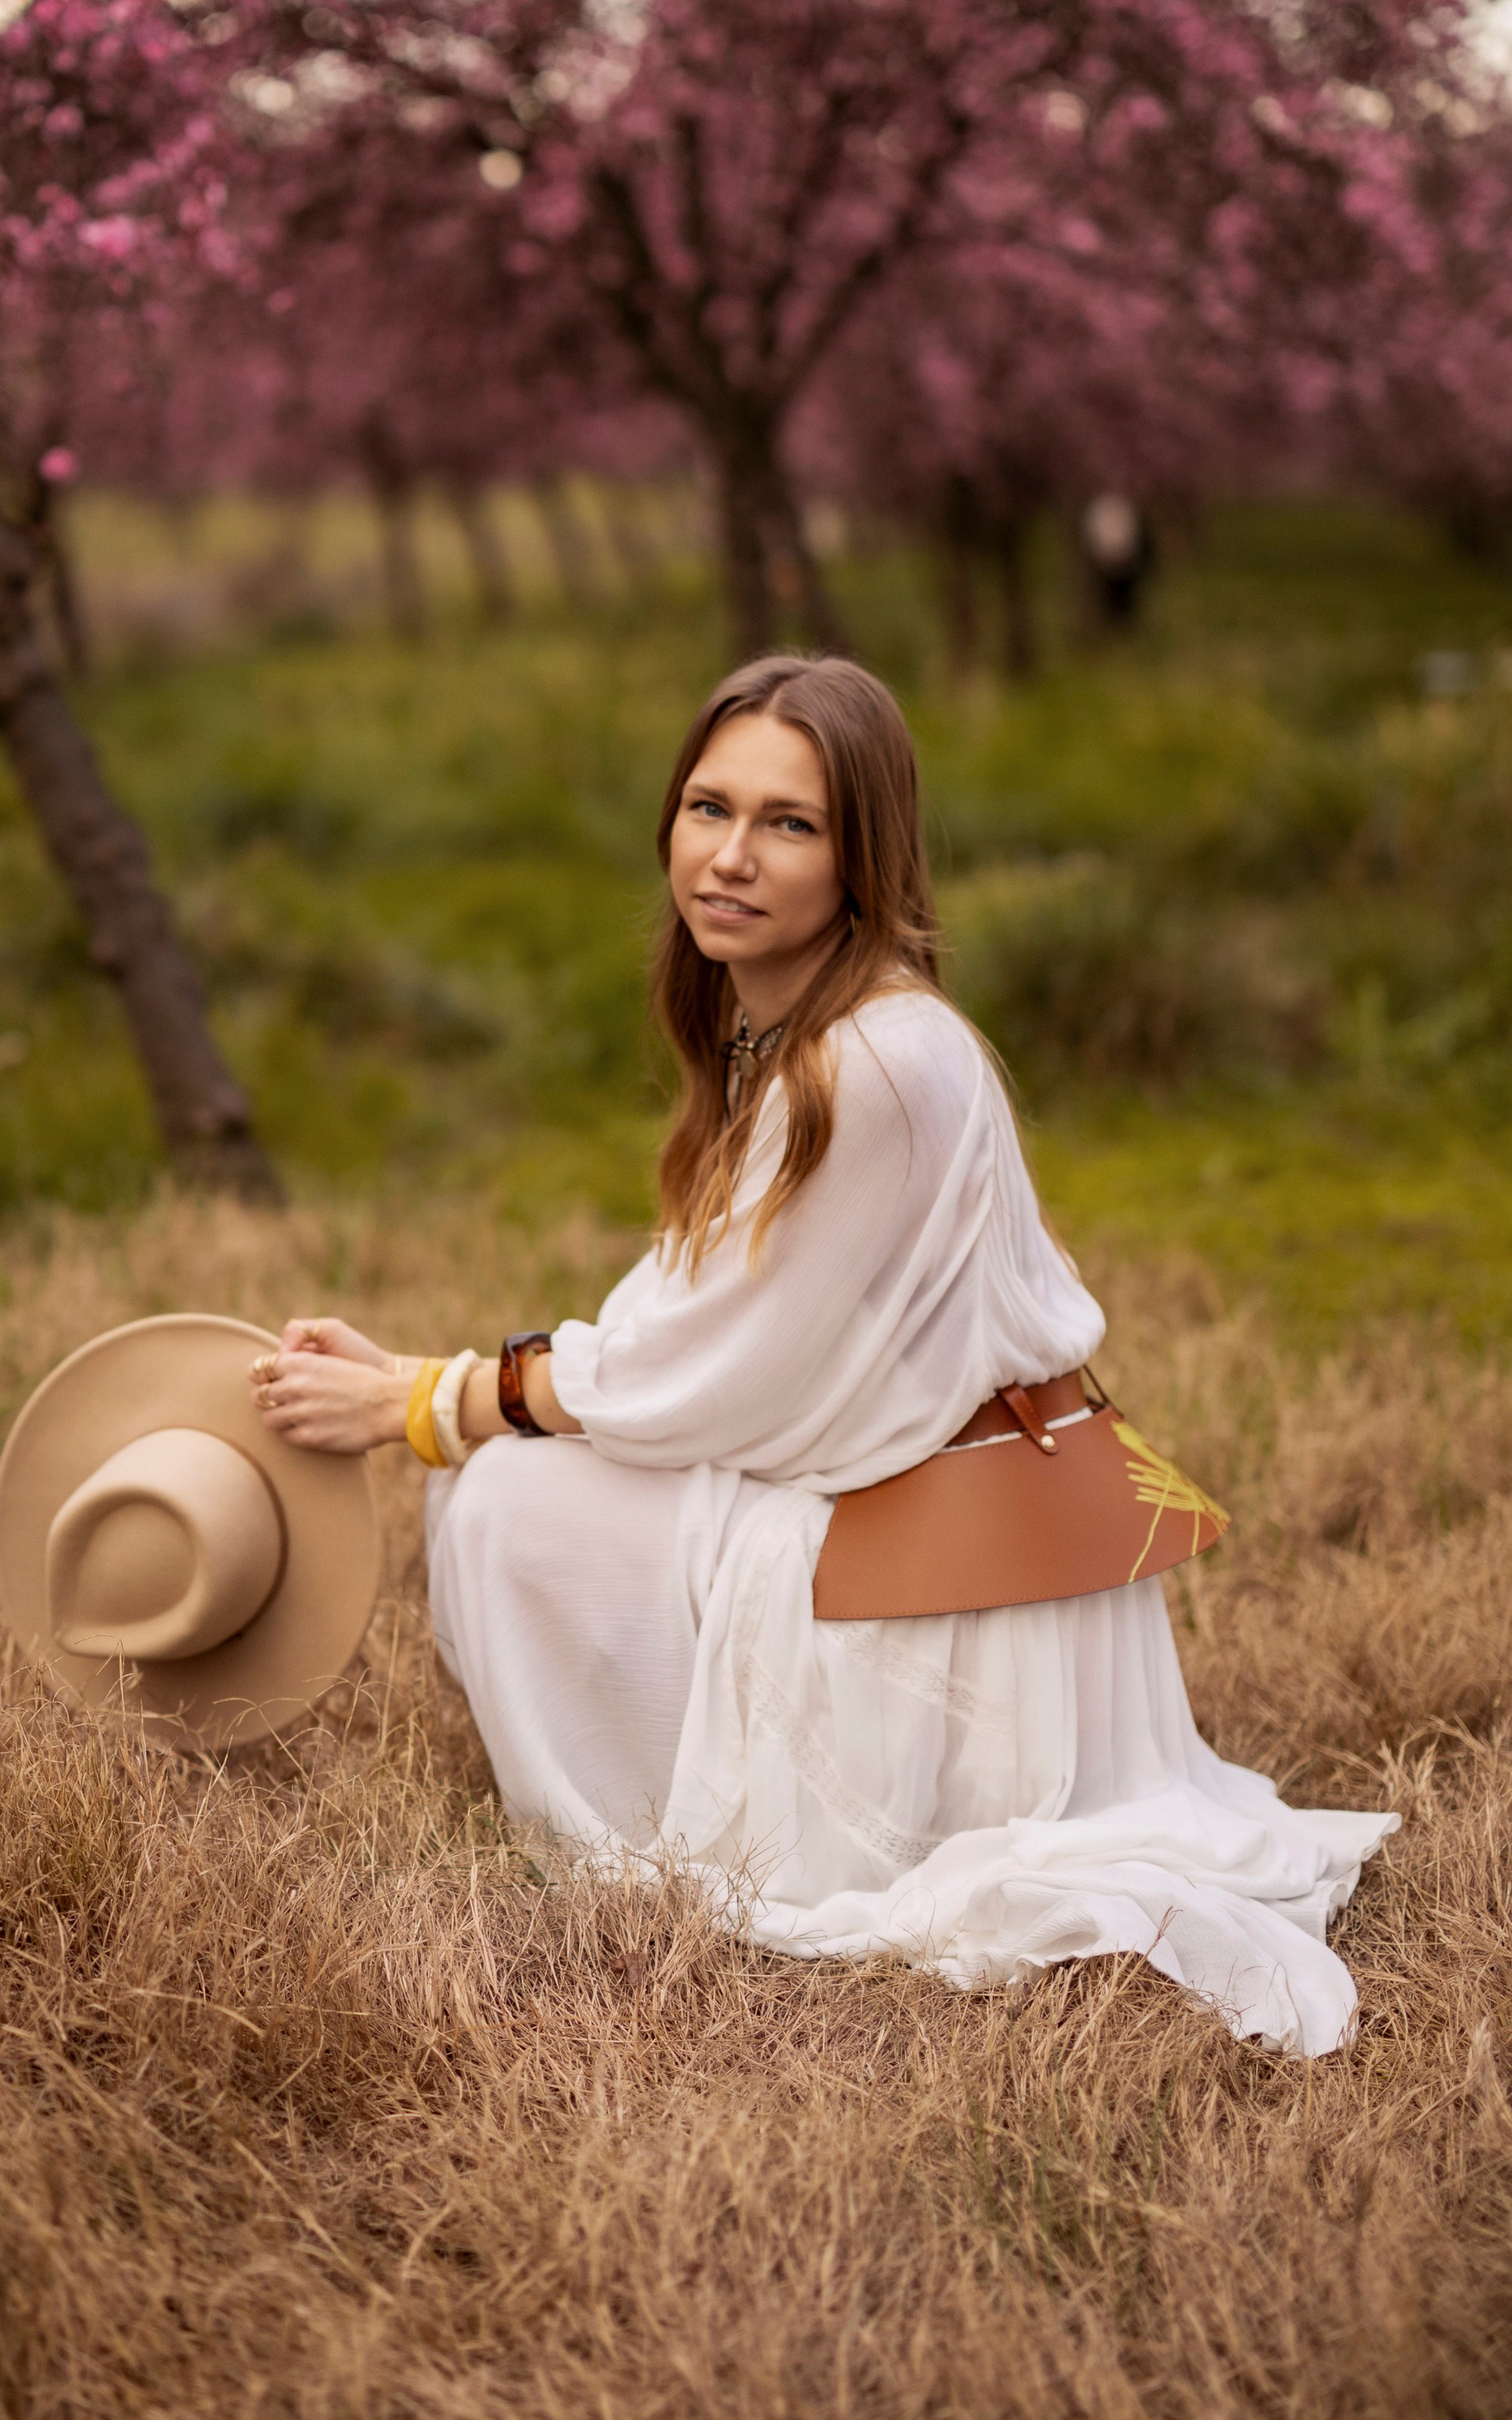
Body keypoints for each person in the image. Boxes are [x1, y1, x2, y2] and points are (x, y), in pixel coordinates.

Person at [250, 654, 1396, 2054]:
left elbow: (698, 1381)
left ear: (866, 857)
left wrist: (433, 1400)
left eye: (788, 824)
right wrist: (457, 1380)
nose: (729, 857)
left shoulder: (875, 1063)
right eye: (706, 806)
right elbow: (688, 1312)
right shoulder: (800, 1031)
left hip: (951, 1577)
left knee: (498, 1496)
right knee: (512, 1469)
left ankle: (665, 1857)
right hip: (954, 1523)